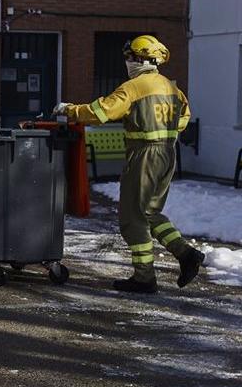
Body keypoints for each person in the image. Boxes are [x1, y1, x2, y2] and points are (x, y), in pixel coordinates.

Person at [54, 35, 204, 293]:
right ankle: (185, 254)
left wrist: (69, 110)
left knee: (132, 218)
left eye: (129, 58)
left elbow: (102, 112)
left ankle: (145, 277)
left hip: (144, 155)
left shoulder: (134, 87)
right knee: (150, 212)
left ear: (140, 59)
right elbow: (184, 118)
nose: (127, 63)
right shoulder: (171, 87)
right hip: (168, 153)